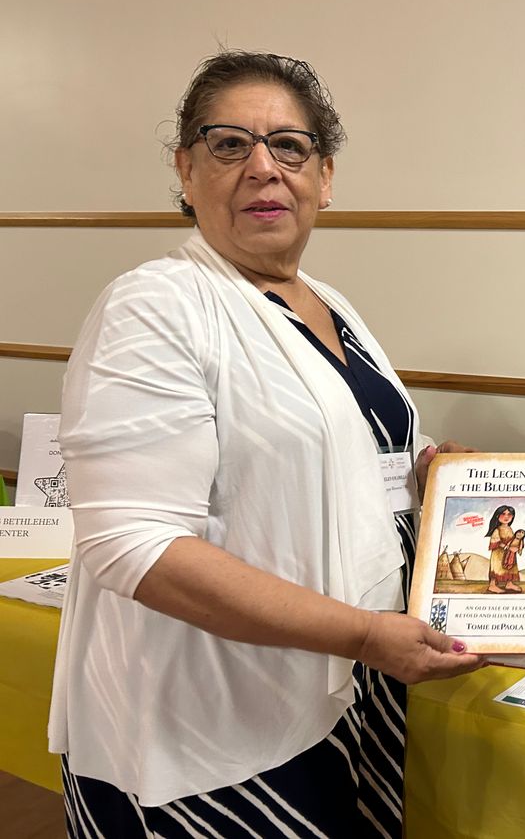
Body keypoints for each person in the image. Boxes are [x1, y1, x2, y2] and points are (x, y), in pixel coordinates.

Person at [49, 51, 483, 838]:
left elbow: (361, 457)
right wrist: (360, 633)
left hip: (336, 696)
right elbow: (131, 545)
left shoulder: (327, 303)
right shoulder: (155, 307)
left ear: (325, 176)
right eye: (228, 145)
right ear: (185, 169)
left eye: (290, 146)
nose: (263, 168)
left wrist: (434, 473)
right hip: (207, 729)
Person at [485, 504, 523, 593]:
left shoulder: (510, 529)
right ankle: (492, 585)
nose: (506, 516)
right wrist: (507, 547)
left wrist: (518, 547)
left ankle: (509, 584)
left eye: (509, 514)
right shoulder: (497, 530)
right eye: (503, 514)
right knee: (497, 568)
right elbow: (495, 541)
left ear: (512, 517)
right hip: (499, 554)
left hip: (510, 554)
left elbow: (515, 540)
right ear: (497, 516)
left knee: (511, 568)